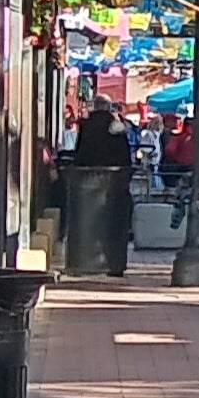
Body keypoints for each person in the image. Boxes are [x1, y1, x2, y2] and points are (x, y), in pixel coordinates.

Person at [65, 98, 135, 277]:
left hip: (86, 182)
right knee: (115, 226)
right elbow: (125, 156)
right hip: (115, 185)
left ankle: (81, 263)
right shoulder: (116, 126)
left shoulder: (87, 126)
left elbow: (80, 155)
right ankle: (115, 264)